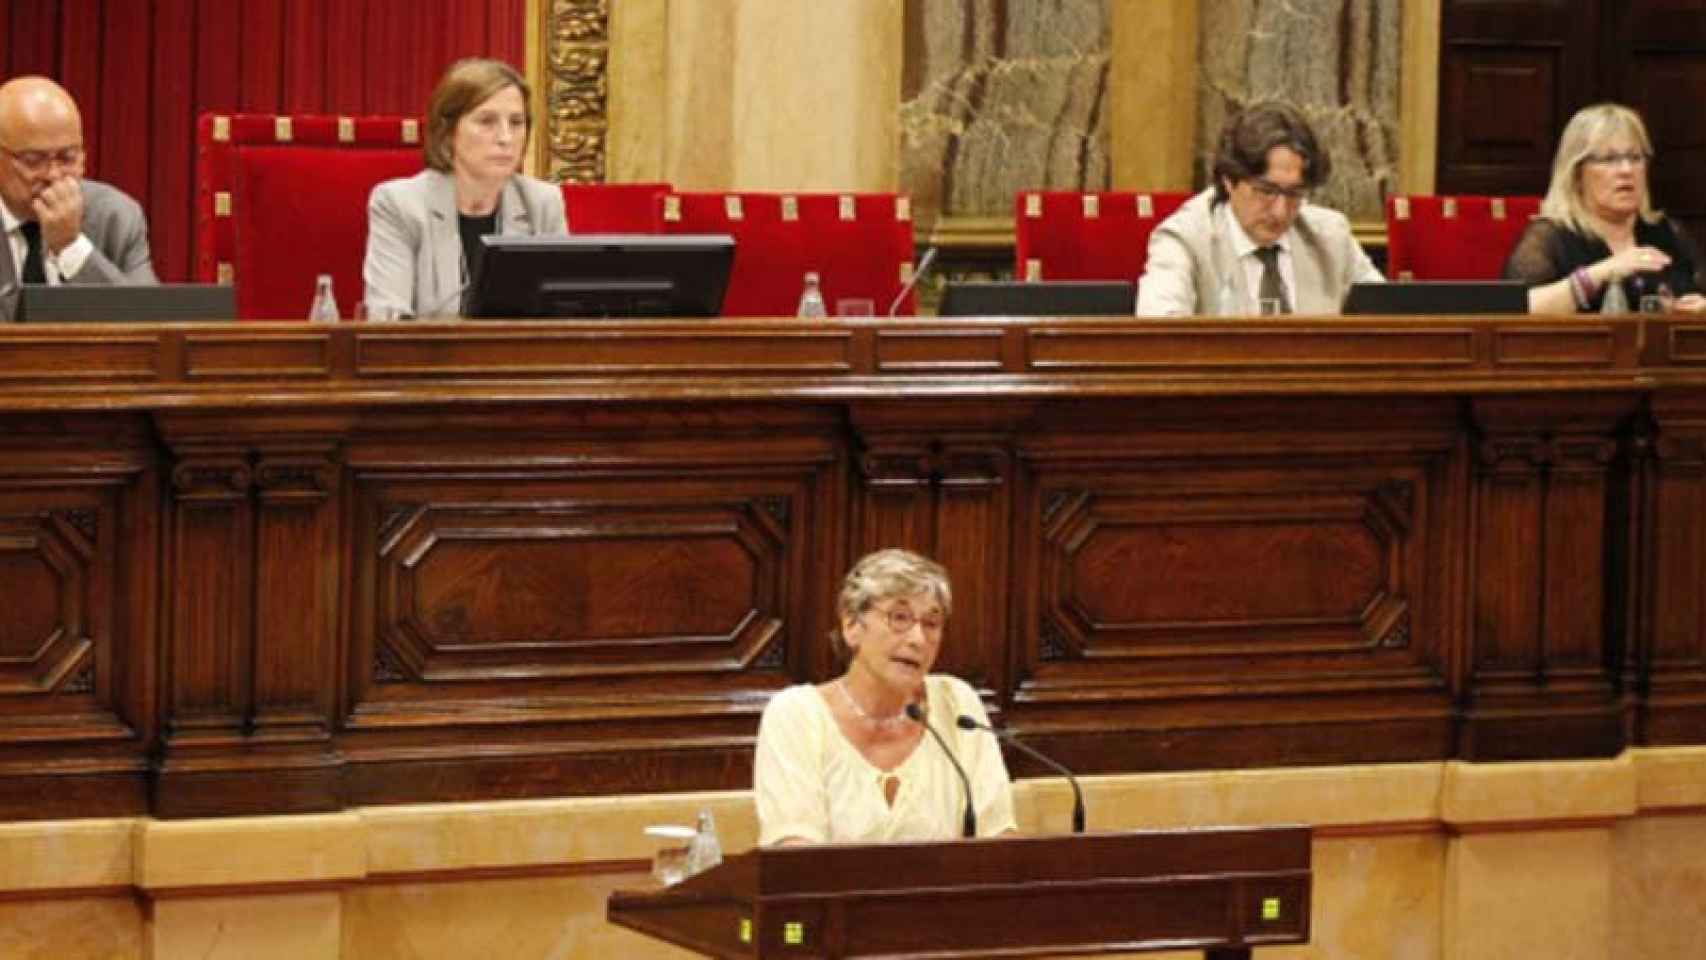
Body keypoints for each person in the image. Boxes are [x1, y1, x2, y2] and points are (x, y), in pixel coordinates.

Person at [753, 548, 1016, 845]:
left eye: (931, 623)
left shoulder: (956, 704)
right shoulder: (796, 714)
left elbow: (999, 838)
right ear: (852, 625)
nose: (918, 639)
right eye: (899, 617)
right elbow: (793, 853)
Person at [363, 58, 567, 319]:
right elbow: (386, 321)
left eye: (516, 123)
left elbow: (559, 318)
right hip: (428, 358)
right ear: (448, 132)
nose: (506, 138)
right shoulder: (400, 204)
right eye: (486, 121)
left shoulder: (542, 203)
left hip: (518, 358)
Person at [1136, 101, 1382, 316]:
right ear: (1229, 181)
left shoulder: (1330, 237)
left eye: (1294, 194)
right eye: (1266, 191)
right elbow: (1159, 337)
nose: (1281, 211)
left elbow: (1391, 322)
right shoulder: (1184, 239)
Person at [1503, 103, 1706, 315]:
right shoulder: (1551, 236)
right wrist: (1599, 274)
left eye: (1635, 158)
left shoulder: (1667, 232)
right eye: (1609, 159)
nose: (1626, 170)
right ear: (1576, 173)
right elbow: (1515, 309)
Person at [0, 76, 156, 322]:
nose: (53, 175)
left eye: (67, 158)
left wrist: (72, 248)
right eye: (33, 161)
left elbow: (151, 327)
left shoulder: (115, 217)